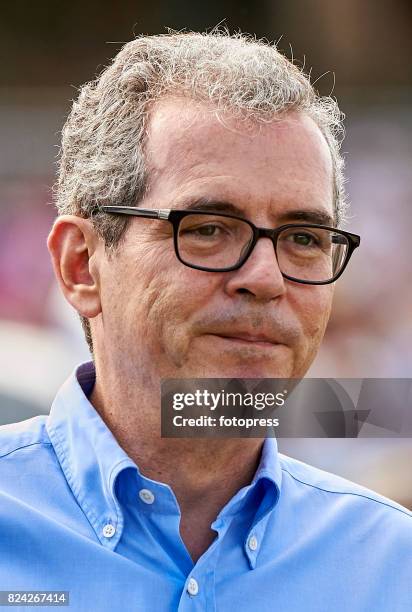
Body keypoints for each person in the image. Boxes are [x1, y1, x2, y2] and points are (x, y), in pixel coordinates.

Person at [0, 31, 410, 611]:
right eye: (209, 229)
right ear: (81, 266)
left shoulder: (391, 566)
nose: (267, 278)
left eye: (303, 239)